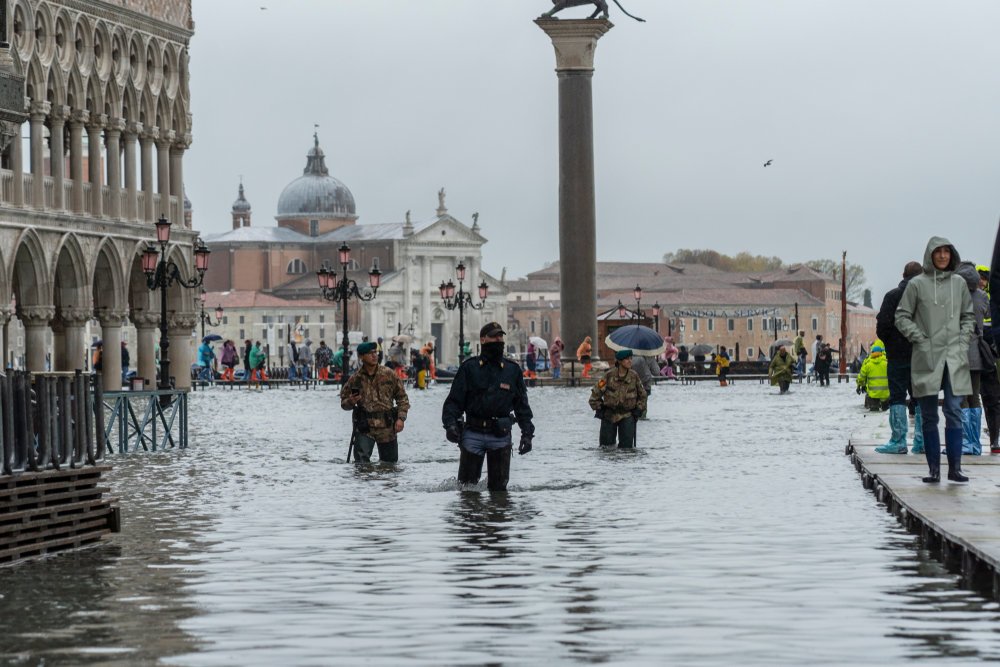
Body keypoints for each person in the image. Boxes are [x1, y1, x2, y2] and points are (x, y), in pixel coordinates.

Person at [895, 236, 975, 483]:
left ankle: (955, 468)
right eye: (937, 252)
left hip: (954, 356)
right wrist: (919, 338)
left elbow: (968, 317)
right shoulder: (916, 285)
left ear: (952, 255)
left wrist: (962, 342)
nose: (942, 256)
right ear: (930, 255)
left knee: (954, 410)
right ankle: (933, 470)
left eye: (946, 252)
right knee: (929, 414)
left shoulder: (959, 283)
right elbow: (901, 317)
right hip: (926, 356)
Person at [442, 322, 535, 492]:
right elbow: (454, 401)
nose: (498, 340)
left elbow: (522, 406)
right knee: (466, 490)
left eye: (500, 336)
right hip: (472, 434)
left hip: (500, 435)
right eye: (494, 336)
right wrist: (450, 425)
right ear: (483, 340)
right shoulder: (469, 368)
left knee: (499, 492)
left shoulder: (512, 370)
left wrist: (527, 434)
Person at [875, 261, 925, 454]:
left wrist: (892, 343)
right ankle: (921, 442)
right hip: (920, 355)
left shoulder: (892, 296)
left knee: (897, 396)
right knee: (920, 397)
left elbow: (882, 327)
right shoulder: (925, 296)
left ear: (903, 275)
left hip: (897, 355)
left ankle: (898, 441)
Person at [340, 341, 410, 463]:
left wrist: (401, 418)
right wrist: (351, 401)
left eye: (375, 352)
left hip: (387, 426)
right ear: (361, 357)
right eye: (370, 353)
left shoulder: (389, 374)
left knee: (389, 465)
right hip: (365, 427)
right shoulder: (355, 379)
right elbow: (343, 404)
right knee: (361, 465)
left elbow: (402, 398)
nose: (374, 356)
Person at [956, 261, 990, 455]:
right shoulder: (983, 297)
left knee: (961, 398)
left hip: (959, 354)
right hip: (977, 353)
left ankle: (965, 442)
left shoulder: (955, 298)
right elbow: (988, 315)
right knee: (975, 396)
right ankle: (975, 442)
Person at [589, 349, 648, 448]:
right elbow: (595, 394)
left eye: (630, 358)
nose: (630, 361)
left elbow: (643, 395)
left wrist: (639, 409)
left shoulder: (634, 376)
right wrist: (600, 408)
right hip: (609, 415)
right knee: (606, 448)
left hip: (627, 415)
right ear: (620, 361)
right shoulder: (608, 376)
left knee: (627, 449)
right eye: (627, 359)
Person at [856, 340, 889, 411]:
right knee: (886, 412)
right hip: (886, 394)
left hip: (873, 395)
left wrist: (859, 385)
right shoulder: (887, 363)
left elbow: (861, 377)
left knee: (874, 413)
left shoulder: (868, 363)